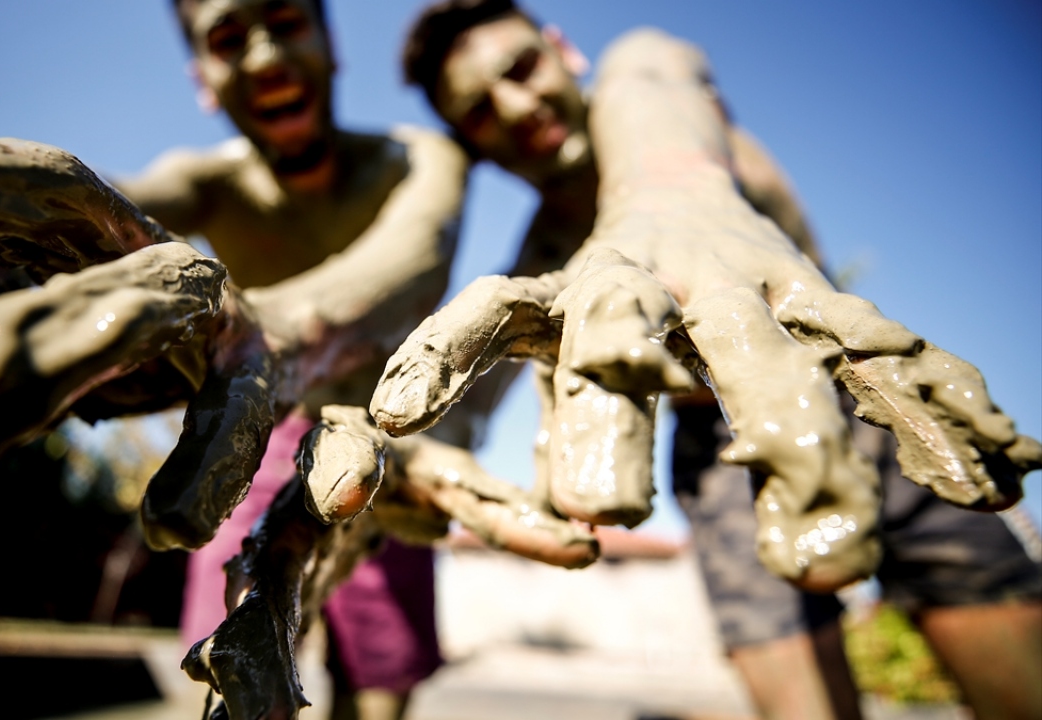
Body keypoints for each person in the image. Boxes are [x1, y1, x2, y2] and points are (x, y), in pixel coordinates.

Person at [392, 1, 1042, 718]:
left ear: (562, 49)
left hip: (870, 397)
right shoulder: (546, 253)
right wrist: (415, 450)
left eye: (521, 67)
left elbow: (655, 74)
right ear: (472, 146)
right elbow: (468, 397)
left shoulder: (653, 97)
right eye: (479, 111)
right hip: (721, 458)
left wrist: (671, 187)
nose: (517, 104)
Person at [111, 1, 469, 717]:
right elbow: (106, 202)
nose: (267, 55)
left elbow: (422, 249)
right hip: (253, 439)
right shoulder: (210, 183)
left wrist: (274, 324)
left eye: (285, 19)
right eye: (229, 37)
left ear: (334, 44)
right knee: (237, 674)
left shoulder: (413, 159)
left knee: (379, 693)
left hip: (389, 445)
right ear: (204, 80)